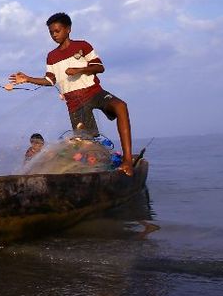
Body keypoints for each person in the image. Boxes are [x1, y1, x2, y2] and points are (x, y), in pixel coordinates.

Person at [8, 12, 135, 176]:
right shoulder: (51, 57)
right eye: (51, 32)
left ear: (68, 29)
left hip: (94, 92)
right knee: (86, 144)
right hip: (75, 103)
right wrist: (27, 79)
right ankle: (93, 174)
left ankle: (127, 161)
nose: (54, 35)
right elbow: (50, 80)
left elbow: (99, 67)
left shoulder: (83, 46)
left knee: (121, 106)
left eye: (57, 31)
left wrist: (80, 69)